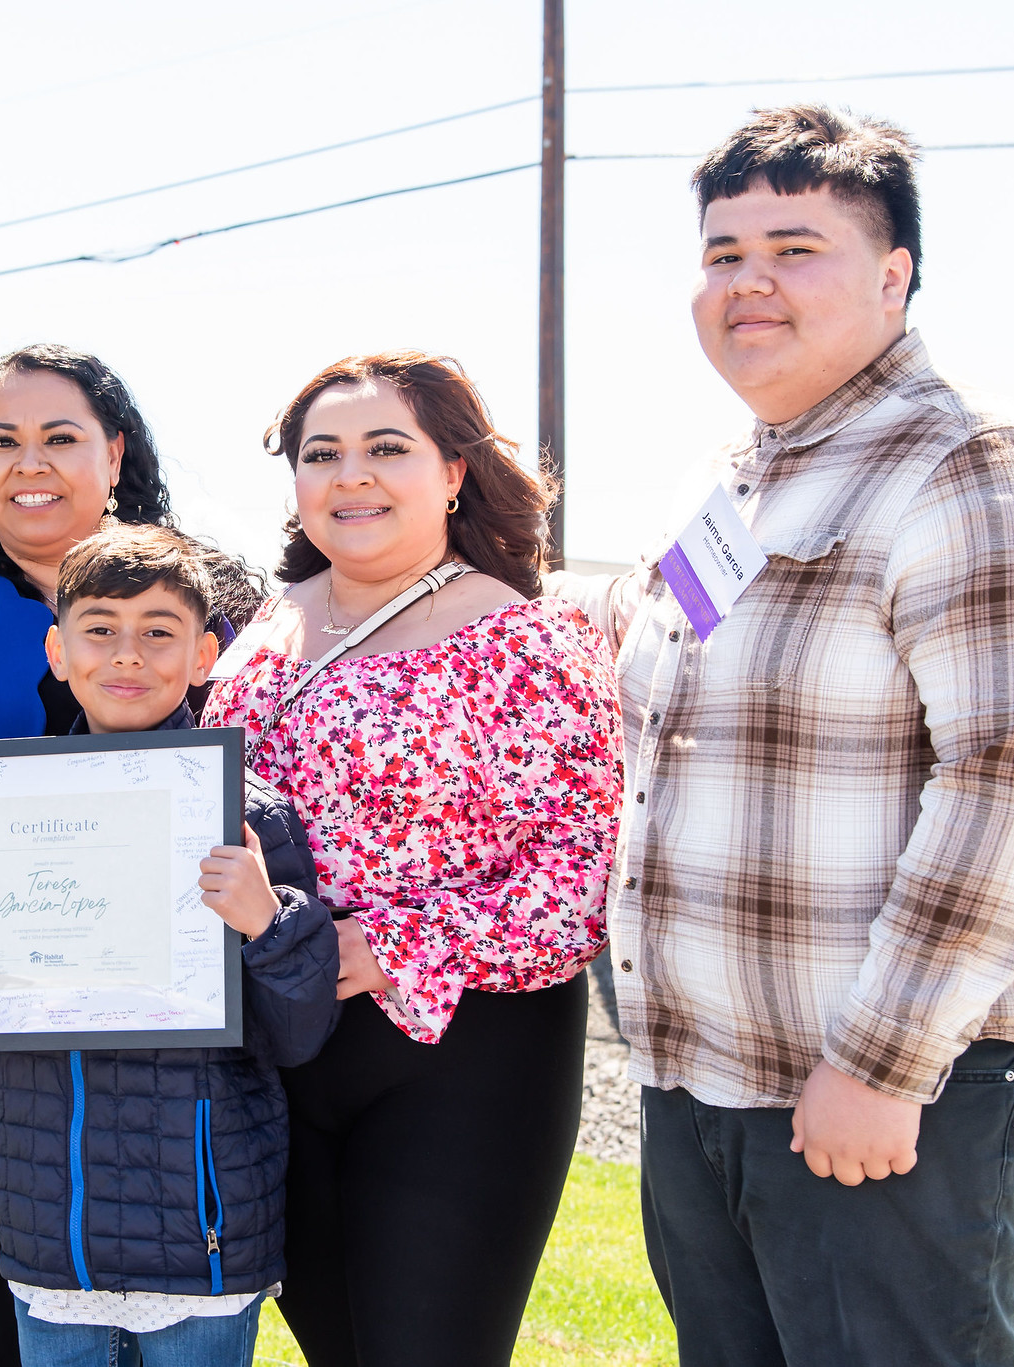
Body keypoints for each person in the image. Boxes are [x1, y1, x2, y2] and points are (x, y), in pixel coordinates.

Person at [553, 105, 1014, 1366]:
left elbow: (1010, 783)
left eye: (792, 247)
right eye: (719, 253)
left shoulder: (971, 465)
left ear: (894, 274)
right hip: (710, 1087)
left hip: (901, 1093)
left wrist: (881, 1062)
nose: (745, 282)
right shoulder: (735, 480)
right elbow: (650, 664)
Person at [0, 344, 259, 1367]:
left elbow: (254, 790)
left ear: (113, 453)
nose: (31, 461)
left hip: (172, 1013)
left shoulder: (205, 605)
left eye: (60, 436)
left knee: (178, 1263)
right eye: (1, 439)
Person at [201, 352, 623, 1366]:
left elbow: (575, 884)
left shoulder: (528, 641)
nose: (351, 476)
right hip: (275, 1047)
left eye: (386, 448)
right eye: (321, 453)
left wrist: (385, 943)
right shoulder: (259, 630)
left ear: (452, 472)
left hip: (459, 1051)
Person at [0, 523, 342, 1367]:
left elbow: (297, 1035)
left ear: (204, 655)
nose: (127, 655)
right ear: (58, 648)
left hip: (203, 1240)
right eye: (100, 629)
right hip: (49, 1240)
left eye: (158, 632)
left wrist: (270, 920)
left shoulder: (244, 820)